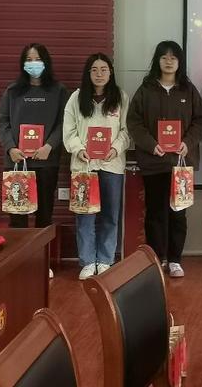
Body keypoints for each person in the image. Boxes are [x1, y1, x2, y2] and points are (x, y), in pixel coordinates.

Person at [126, 41, 202, 278]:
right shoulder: (146, 90)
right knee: (155, 212)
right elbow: (134, 122)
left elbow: (201, 120)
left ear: (179, 62)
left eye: (173, 57)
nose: (169, 61)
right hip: (154, 163)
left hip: (181, 164)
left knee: (178, 213)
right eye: (164, 57)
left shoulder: (188, 90)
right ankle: (156, 257)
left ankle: (174, 260)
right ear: (157, 61)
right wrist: (151, 145)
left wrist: (187, 143)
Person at [63, 53, 130, 280]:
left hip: (112, 165)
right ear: (88, 73)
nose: (99, 74)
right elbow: (69, 131)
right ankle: (87, 261)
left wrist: (116, 149)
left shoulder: (120, 97)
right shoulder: (76, 98)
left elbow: (126, 131)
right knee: (85, 215)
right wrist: (78, 149)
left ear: (111, 73)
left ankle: (105, 259)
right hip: (84, 167)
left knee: (110, 215)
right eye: (94, 70)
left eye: (104, 70)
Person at [0, 43, 68, 235]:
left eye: (38, 59)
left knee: (44, 217)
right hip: (16, 162)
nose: (33, 63)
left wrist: (49, 146)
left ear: (46, 62)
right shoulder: (12, 91)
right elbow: (3, 122)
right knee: (17, 218)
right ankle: (20, 255)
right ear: (23, 64)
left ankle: (41, 256)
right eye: (29, 60)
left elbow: (64, 123)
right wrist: (11, 148)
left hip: (46, 162)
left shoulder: (59, 91)